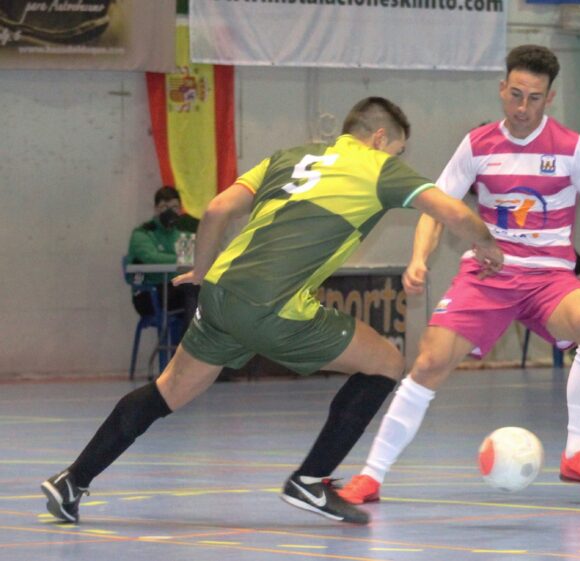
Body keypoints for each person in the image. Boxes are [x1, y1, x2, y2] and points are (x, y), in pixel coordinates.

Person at [40, 97, 503, 526]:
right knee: (386, 362)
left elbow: (219, 208)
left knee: (166, 393)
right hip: (270, 304)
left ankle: (72, 481)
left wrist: (200, 269)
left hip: (220, 292)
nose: (395, 160)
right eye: (396, 150)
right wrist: (485, 242)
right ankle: (311, 480)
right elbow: (454, 213)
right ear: (380, 139)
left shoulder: (287, 157)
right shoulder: (378, 167)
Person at [338, 45, 580, 506]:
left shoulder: (571, 148)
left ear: (549, 99)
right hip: (489, 274)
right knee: (428, 362)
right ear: (501, 89)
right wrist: (418, 259)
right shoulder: (478, 145)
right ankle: (371, 475)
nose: (522, 107)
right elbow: (436, 207)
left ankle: (577, 453)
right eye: (515, 94)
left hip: (549, 278)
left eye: (534, 98)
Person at [127, 186, 199, 338]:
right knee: (193, 293)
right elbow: (151, 258)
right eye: (164, 207)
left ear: (180, 210)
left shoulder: (184, 237)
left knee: (204, 292)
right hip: (149, 295)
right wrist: (179, 260)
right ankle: (188, 348)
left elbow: (189, 266)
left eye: (174, 207)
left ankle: (191, 347)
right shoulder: (142, 234)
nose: (169, 212)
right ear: (156, 209)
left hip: (176, 291)